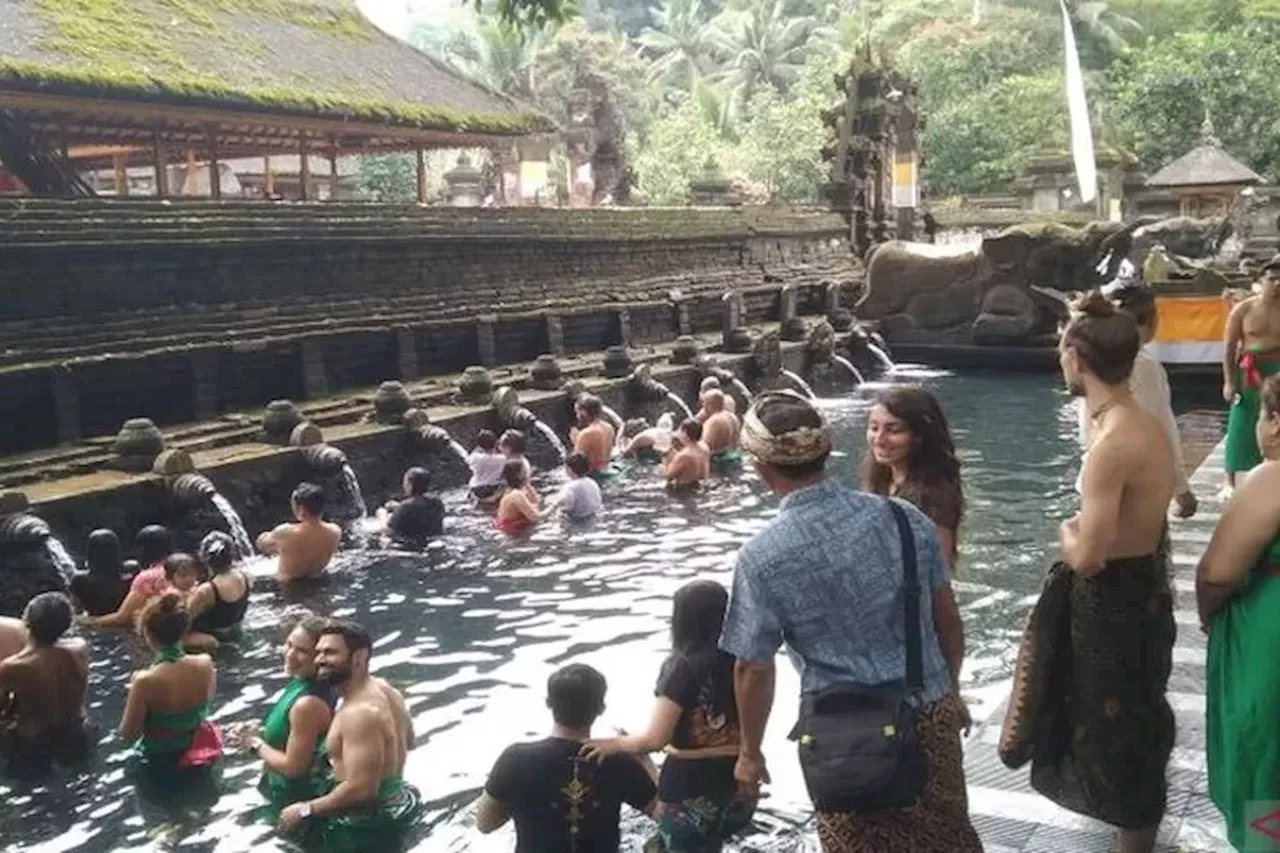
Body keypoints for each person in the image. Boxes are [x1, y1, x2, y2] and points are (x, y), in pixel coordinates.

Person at [719, 390, 978, 853]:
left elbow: (754, 667)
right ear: (826, 450)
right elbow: (947, 619)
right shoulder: (905, 518)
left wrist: (749, 753)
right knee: (948, 839)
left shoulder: (761, 556)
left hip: (844, 736)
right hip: (927, 713)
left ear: (760, 466)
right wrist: (951, 690)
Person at [1028, 291, 1176, 853]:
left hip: (1111, 599)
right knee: (1138, 717)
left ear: (1077, 359)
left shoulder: (1111, 445)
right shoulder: (1143, 425)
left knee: (1115, 732)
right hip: (1146, 589)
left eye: (1063, 350)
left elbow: (1089, 555)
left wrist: (1065, 531)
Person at [582, 581, 754, 852]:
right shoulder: (745, 662)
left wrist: (615, 745)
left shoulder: (682, 667)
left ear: (682, 620)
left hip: (690, 789)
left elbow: (655, 739)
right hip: (739, 786)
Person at [1199, 374, 1280, 850]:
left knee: (1265, 759)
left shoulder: (1271, 477)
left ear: (1274, 424)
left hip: (1268, 640)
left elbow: (1216, 573)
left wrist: (1209, 615)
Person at [475, 663, 657, 851]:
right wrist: (644, 759)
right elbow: (669, 818)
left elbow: (485, 824)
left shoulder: (514, 759)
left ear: (548, 703)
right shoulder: (618, 762)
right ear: (601, 708)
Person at [278, 620, 419, 851]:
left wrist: (304, 809)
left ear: (359, 658)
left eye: (331, 652)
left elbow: (362, 789)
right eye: (320, 651)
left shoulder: (358, 713)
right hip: (397, 804)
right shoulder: (387, 690)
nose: (320, 660)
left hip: (363, 827)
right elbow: (410, 741)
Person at [1075, 285, 1196, 518]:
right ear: (1149, 322)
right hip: (1136, 486)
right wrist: (1181, 489)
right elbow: (1162, 429)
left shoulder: (1095, 362)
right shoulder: (1143, 367)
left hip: (1095, 477)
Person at [231, 612, 335, 821]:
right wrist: (260, 731)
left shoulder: (308, 704)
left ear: (320, 657)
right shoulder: (302, 683)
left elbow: (294, 767)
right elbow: (297, 734)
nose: (289, 654)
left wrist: (254, 743)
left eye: (302, 651)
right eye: (289, 644)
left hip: (293, 804)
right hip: (278, 793)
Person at [120, 593, 222, 800]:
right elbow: (206, 703)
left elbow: (129, 734)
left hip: (159, 760)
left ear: (147, 633)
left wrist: (134, 694)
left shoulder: (144, 681)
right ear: (184, 630)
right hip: (197, 751)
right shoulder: (205, 663)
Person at [862, 387, 965, 572]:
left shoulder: (934, 496)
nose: (879, 439)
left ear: (919, 436)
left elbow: (938, 571)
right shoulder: (882, 478)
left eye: (893, 430)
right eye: (874, 428)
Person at [0, 592, 91, 777]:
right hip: (75, 732)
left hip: (33, 742)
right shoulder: (80, 648)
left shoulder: (14, 666)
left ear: (27, 621)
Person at [1222, 257, 1280, 493]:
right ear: (1261, 281)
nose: (1277, 284)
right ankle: (1229, 480)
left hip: (1277, 370)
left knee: (1275, 418)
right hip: (1249, 370)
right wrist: (1228, 381)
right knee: (1241, 421)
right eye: (1272, 279)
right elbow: (1228, 347)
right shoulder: (1243, 309)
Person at [89, 524, 173, 629]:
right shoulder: (179, 569)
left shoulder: (147, 578)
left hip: (155, 635)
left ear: (143, 550)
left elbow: (122, 618)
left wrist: (90, 622)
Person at [256, 483, 341, 582]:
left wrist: (275, 541)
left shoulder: (285, 532)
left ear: (302, 509)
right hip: (320, 582)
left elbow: (261, 544)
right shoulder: (335, 531)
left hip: (289, 588)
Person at [186, 532, 251, 650]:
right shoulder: (245, 577)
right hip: (235, 633)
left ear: (204, 558)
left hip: (211, 641)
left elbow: (183, 621)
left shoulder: (206, 591)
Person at [69, 528, 131, 616]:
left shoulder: (79, 579)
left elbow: (76, 609)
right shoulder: (129, 577)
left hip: (92, 624)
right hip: (122, 623)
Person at [382, 467, 445, 545]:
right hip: (433, 538)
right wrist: (398, 507)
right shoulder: (437, 502)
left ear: (410, 484)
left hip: (409, 543)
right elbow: (419, 510)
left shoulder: (405, 507)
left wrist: (382, 515)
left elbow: (389, 531)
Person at [547, 453, 603, 522]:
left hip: (577, 522)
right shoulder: (593, 482)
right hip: (594, 517)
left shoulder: (570, 487)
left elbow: (564, 505)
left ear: (569, 469)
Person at [572, 393, 617, 480]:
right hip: (607, 469)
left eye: (577, 413)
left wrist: (575, 440)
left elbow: (576, 464)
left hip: (593, 476)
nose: (577, 416)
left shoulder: (586, 434)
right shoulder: (608, 427)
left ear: (584, 412)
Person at [701, 389, 742, 472]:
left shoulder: (713, 422)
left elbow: (705, 448)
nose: (703, 406)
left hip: (718, 465)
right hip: (734, 459)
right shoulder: (732, 416)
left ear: (709, 404)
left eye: (704, 402)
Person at [496, 459, 540, 536]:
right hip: (514, 536)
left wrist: (527, 484)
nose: (528, 473)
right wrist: (556, 504)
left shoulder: (510, 492)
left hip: (514, 532)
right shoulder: (516, 495)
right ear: (519, 475)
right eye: (525, 471)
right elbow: (536, 518)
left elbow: (535, 504)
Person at [662, 419, 710, 490]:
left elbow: (668, 476)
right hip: (698, 485)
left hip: (683, 491)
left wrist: (665, 459)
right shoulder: (705, 448)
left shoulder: (684, 455)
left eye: (680, 431)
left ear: (685, 434)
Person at [468, 430, 508, 505]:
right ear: (496, 443)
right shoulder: (502, 459)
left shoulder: (474, 457)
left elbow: (475, 452)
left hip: (476, 489)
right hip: (494, 488)